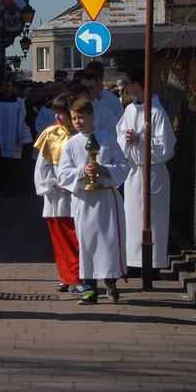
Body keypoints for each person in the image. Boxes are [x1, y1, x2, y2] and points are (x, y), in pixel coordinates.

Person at [57, 98, 130, 305]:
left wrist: (103, 169)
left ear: (92, 116)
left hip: (106, 197)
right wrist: (83, 171)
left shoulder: (107, 139)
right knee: (87, 242)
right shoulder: (71, 143)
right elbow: (62, 174)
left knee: (109, 241)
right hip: (84, 199)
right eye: (74, 118)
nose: (77, 121)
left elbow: (123, 166)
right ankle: (89, 289)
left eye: (81, 117)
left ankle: (111, 281)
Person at [116, 66, 176, 279]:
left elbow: (166, 147)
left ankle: (153, 265)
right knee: (132, 217)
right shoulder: (130, 110)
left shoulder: (157, 113)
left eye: (128, 84)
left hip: (153, 174)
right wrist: (126, 138)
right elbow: (119, 135)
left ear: (137, 85)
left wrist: (139, 140)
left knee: (153, 220)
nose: (125, 88)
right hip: (134, 173)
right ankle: (133, 262)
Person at [33, 93, 86, 296]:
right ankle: (66, 276)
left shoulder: (83, 135)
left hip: (80, 194)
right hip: (56, 195)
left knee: (77, 237)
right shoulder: (50, 134)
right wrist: (54, 183)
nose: (57, 118)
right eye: (55, 113)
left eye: (61, 114)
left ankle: (76, 276)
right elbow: (41, 168)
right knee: (60, 238)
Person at [0, 78, 33, 196]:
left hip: (13, 138)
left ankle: (12, 188)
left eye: (8, 85)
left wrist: (23, 137)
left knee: (13, 165)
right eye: (4, 85)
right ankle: (0, 187)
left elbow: (22, 119)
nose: (6, 88)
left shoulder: (19, 102)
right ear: (1, 87)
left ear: (12, 87)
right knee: (0, 164)